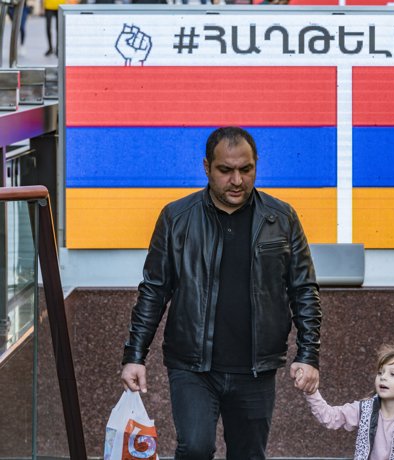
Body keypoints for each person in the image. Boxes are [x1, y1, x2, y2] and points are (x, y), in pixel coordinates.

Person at [120, 126, 322, 460]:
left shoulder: (281, 218)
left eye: (246, 169)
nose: (237, 180)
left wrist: (308, 354)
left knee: (248, 454)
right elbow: (154, 291)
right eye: (225, 170)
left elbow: (303, 290)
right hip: (192, 365)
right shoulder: (177, 218)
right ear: (206, 168)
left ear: (256, 165)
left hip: (256, 368)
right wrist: (134, 355)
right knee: (196, 448)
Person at [302, 343, 394, 460]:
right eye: (380, 372)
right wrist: (311, 391)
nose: (383, 377)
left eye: (393, 374)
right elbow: (330, 417)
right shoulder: (364, 409)